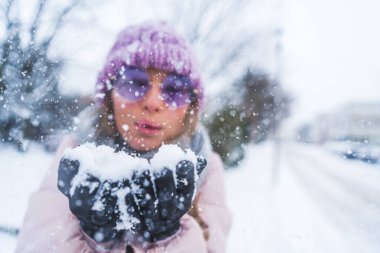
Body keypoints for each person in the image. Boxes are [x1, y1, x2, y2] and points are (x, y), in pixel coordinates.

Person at [15, 21, 232, 253]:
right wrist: (95, 236)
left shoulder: (205, 166)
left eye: (174, 89)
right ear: (110, 96)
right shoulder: (77, 153)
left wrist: (166, 236)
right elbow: (36, 244)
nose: (152, 102)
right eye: (135, 83)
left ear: (190, 106)